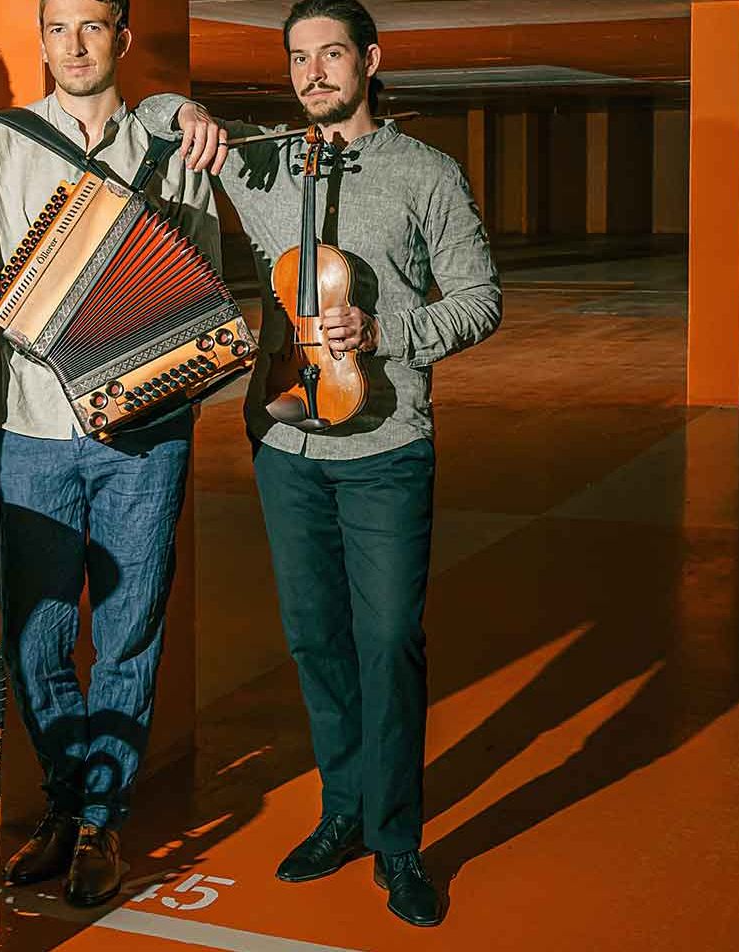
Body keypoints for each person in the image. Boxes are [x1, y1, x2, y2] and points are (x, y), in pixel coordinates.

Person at [139, 0, 503, 928]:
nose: (313, 74)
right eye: (298, 58)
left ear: (368, 61)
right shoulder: (262, 162)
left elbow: (480, 299)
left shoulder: (426, 173)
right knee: (313, 640)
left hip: (387, 447)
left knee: (389, 642)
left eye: (331, 55)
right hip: (286, 443)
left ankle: (398, 840)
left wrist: (389, 332)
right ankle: (343, 810)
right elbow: (147, 114)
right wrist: (185, 112)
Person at [0, 0, 225, 908]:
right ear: (41, 40)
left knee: (130, 627)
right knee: (36, 632)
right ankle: (66, 801)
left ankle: (104, 817)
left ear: (122, 39)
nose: (74, 46)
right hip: (27, 423)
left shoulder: (173, 148)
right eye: (58, 29)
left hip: (145, 432)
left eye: (93, 27)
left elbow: (198, 284)